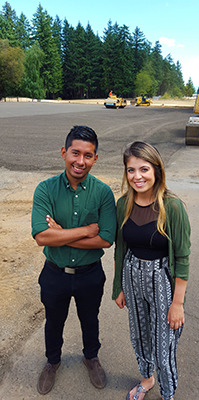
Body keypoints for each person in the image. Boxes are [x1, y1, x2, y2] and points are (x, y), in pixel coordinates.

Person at [32, 125, 116, 395]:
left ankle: (91, 357)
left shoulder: (103, 193)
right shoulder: (45, 190)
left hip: (90, 274)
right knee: (53, 321)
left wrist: (60, 233)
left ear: (95, 159)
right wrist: (85, 231)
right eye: (75, 153)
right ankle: (52, 362)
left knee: (90, 319)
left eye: (88, 155)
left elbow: (105, 239)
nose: (81, 161)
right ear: (64, 152)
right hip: (54, 273)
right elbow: (42, 237)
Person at [112, 141, 191, 400]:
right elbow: (120, 249)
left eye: (143, 169)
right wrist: (118, 287)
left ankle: (167, 393)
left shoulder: (173, 207)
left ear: (156, 170)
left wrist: (177, 303)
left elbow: (182, 257)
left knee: (163, 342)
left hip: (162, 279)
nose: (137, 177)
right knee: (140, 335)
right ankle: (146, 379)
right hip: (132, 275)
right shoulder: (123, 204)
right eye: (131, 170)